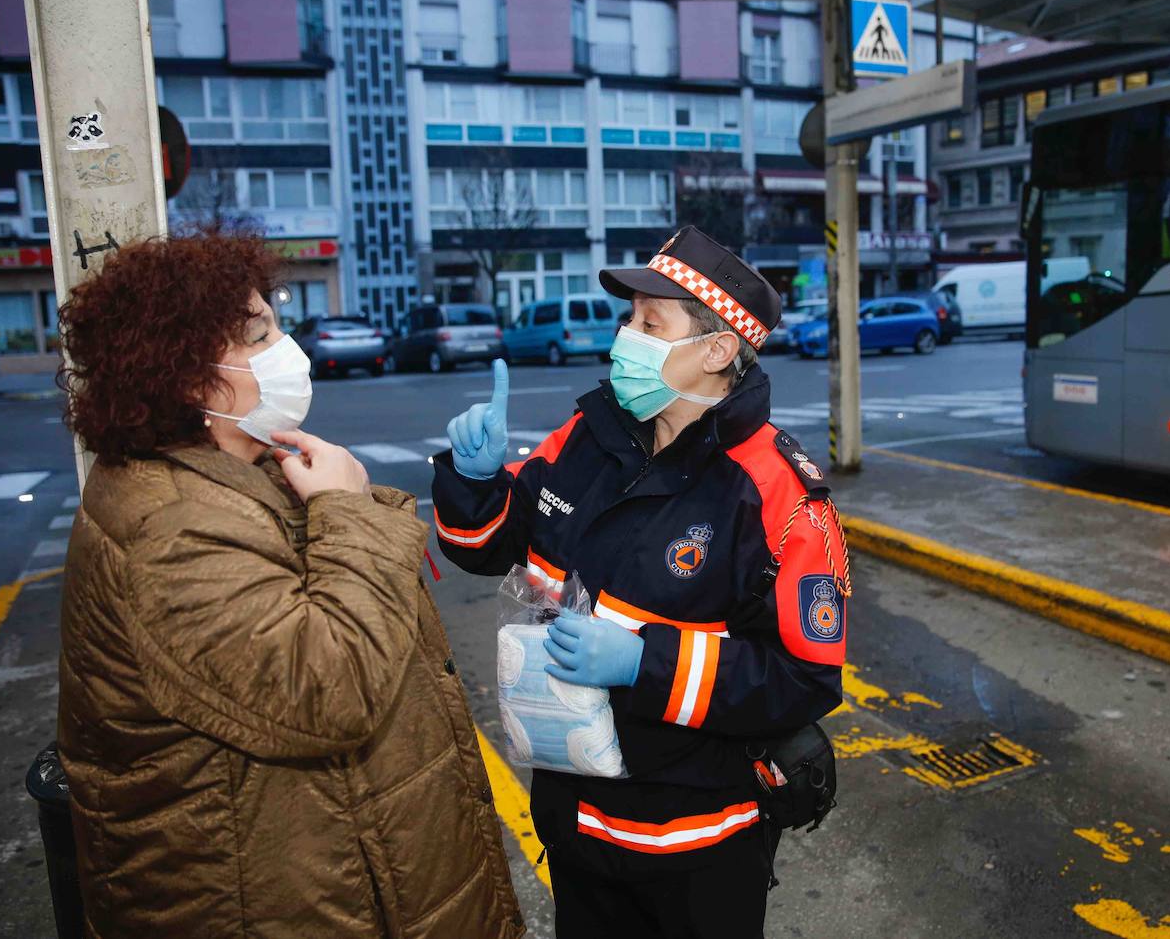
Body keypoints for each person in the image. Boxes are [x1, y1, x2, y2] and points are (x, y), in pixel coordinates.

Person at [54, 232, 523, 939]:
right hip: (278, 899)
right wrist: (348, 512)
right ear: (188, 375)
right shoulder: (170, 529)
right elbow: (331, 689)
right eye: (258, 334)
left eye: (277, 323)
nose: (287, 347)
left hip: (328, 871)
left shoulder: (233, 475)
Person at [432, 225, 850, 938]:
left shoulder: (777, 494)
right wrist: (473, 485)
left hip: (698, 849)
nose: (627, 334)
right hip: (573, 823)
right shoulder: (591, 436)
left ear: (717, 350)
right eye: (630, 318)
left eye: (650, 323)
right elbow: (490, 548)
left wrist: (642, 662)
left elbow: (805, 679)